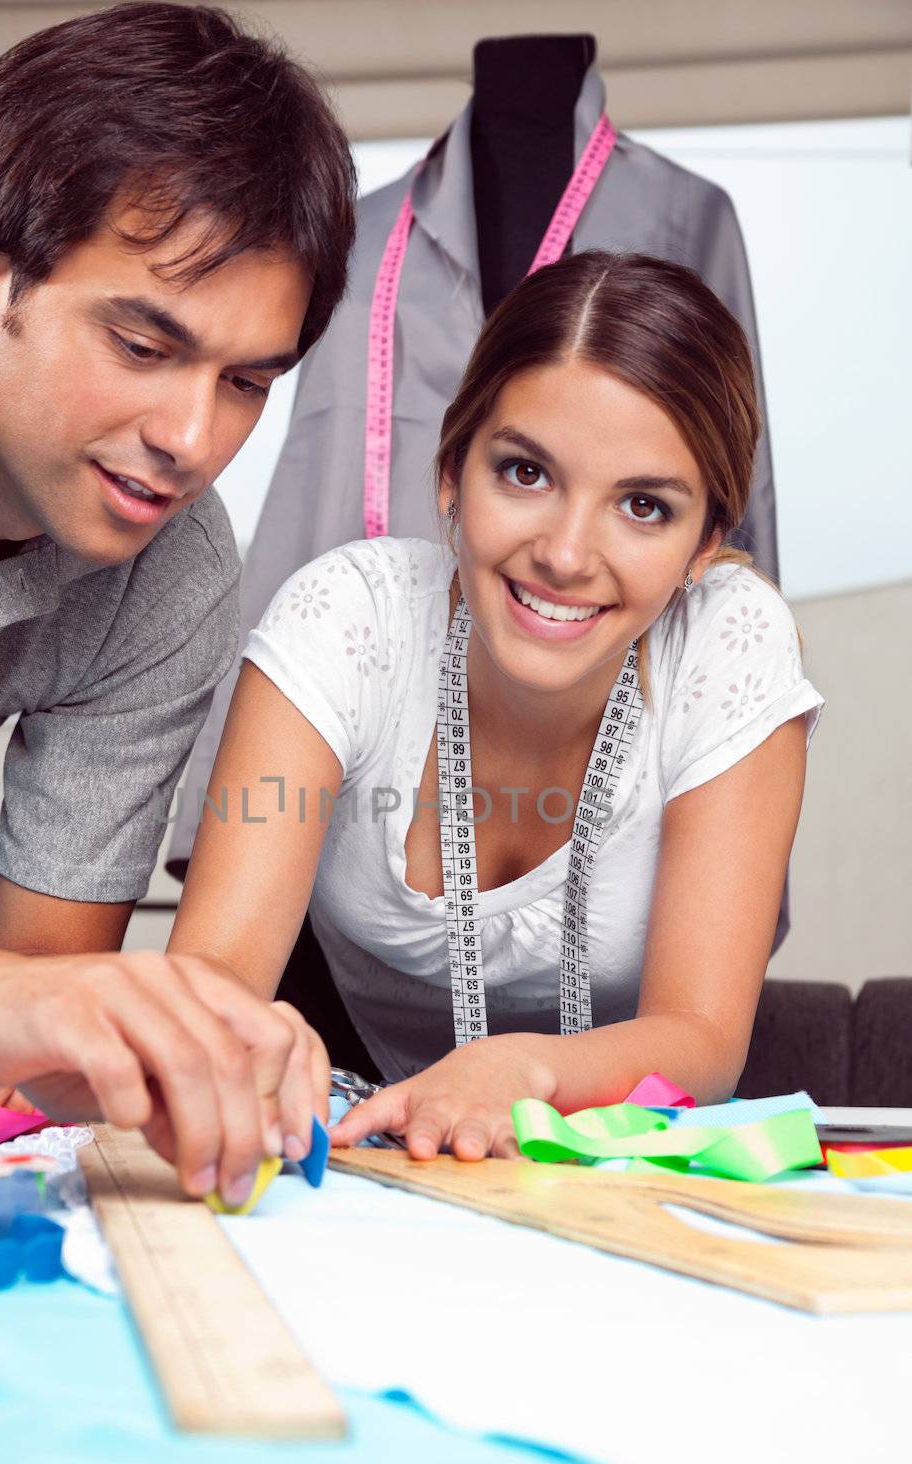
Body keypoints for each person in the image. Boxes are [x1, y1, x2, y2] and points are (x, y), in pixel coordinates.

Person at [0, 2, 355, 1204]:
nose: (188, 440)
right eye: (140, 344)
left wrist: (180, 1040)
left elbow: (35, 1003)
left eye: (245, 382)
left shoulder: (174, 571)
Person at [168, 250, 824, 1160]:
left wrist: (525, 1075)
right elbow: (213, 981)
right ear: (451, 473)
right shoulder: (347, 619)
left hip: (614, 1156)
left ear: (705, 542)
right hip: (350, 1136)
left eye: (641, 505)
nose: (564, 553)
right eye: (525, 474)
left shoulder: (729, 645)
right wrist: (241, 1051)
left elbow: (702, 1038)